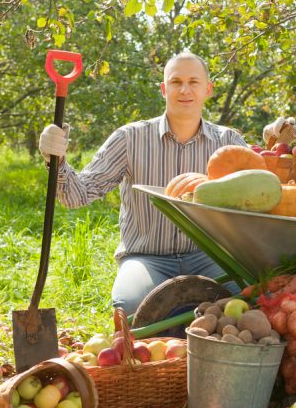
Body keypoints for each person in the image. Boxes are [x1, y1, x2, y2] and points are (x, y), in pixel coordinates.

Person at [38, 52, 248, 315]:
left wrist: (276, 146)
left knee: (250, 296)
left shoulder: (228, 141)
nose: (185, 90)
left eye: (194, 82)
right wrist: (55, 160)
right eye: (175, 82)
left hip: (209, 256)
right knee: (131, 308)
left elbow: (264, 191)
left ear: (208, 89)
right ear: (163, 89)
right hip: (147, 259)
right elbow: (76, 195)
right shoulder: (130, 138)